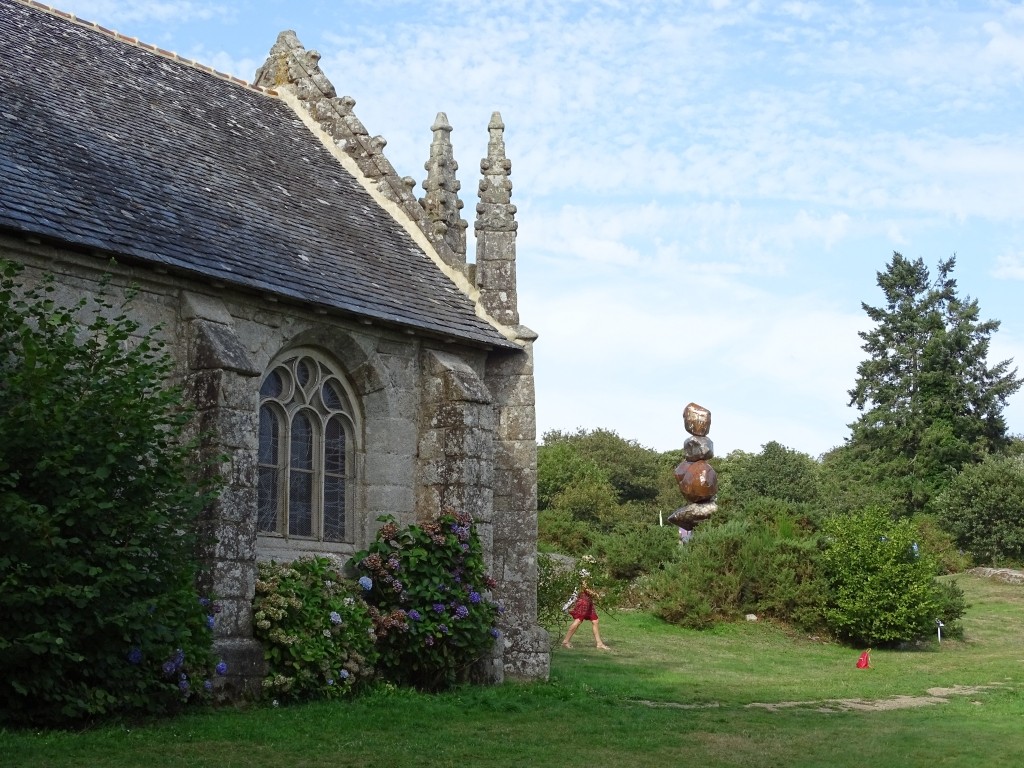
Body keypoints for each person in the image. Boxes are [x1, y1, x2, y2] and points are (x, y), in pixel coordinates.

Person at [561, 560, 610, 650]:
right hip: (583, 602)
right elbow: (585, 587)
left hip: (588, 602)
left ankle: (599, 643)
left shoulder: (590, 574)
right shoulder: (584, 573)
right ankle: (566, 641)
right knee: (578, 620)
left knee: (595, 621)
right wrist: (596, 595)